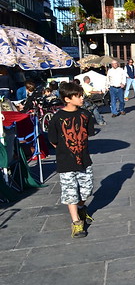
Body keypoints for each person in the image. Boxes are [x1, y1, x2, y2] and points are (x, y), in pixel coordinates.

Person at [48, 82, 96, 238]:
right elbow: (53, 140)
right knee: (70, 193)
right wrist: (65, 150)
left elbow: (88, 133)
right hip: (65, 162)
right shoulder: (56, 118)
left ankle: (81, 208)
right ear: (67, 99)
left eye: (81, 95)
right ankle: (76, 224)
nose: (81, 98)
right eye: (78, 96)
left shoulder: (86, 115)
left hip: (84, 160)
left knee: (87, 190)